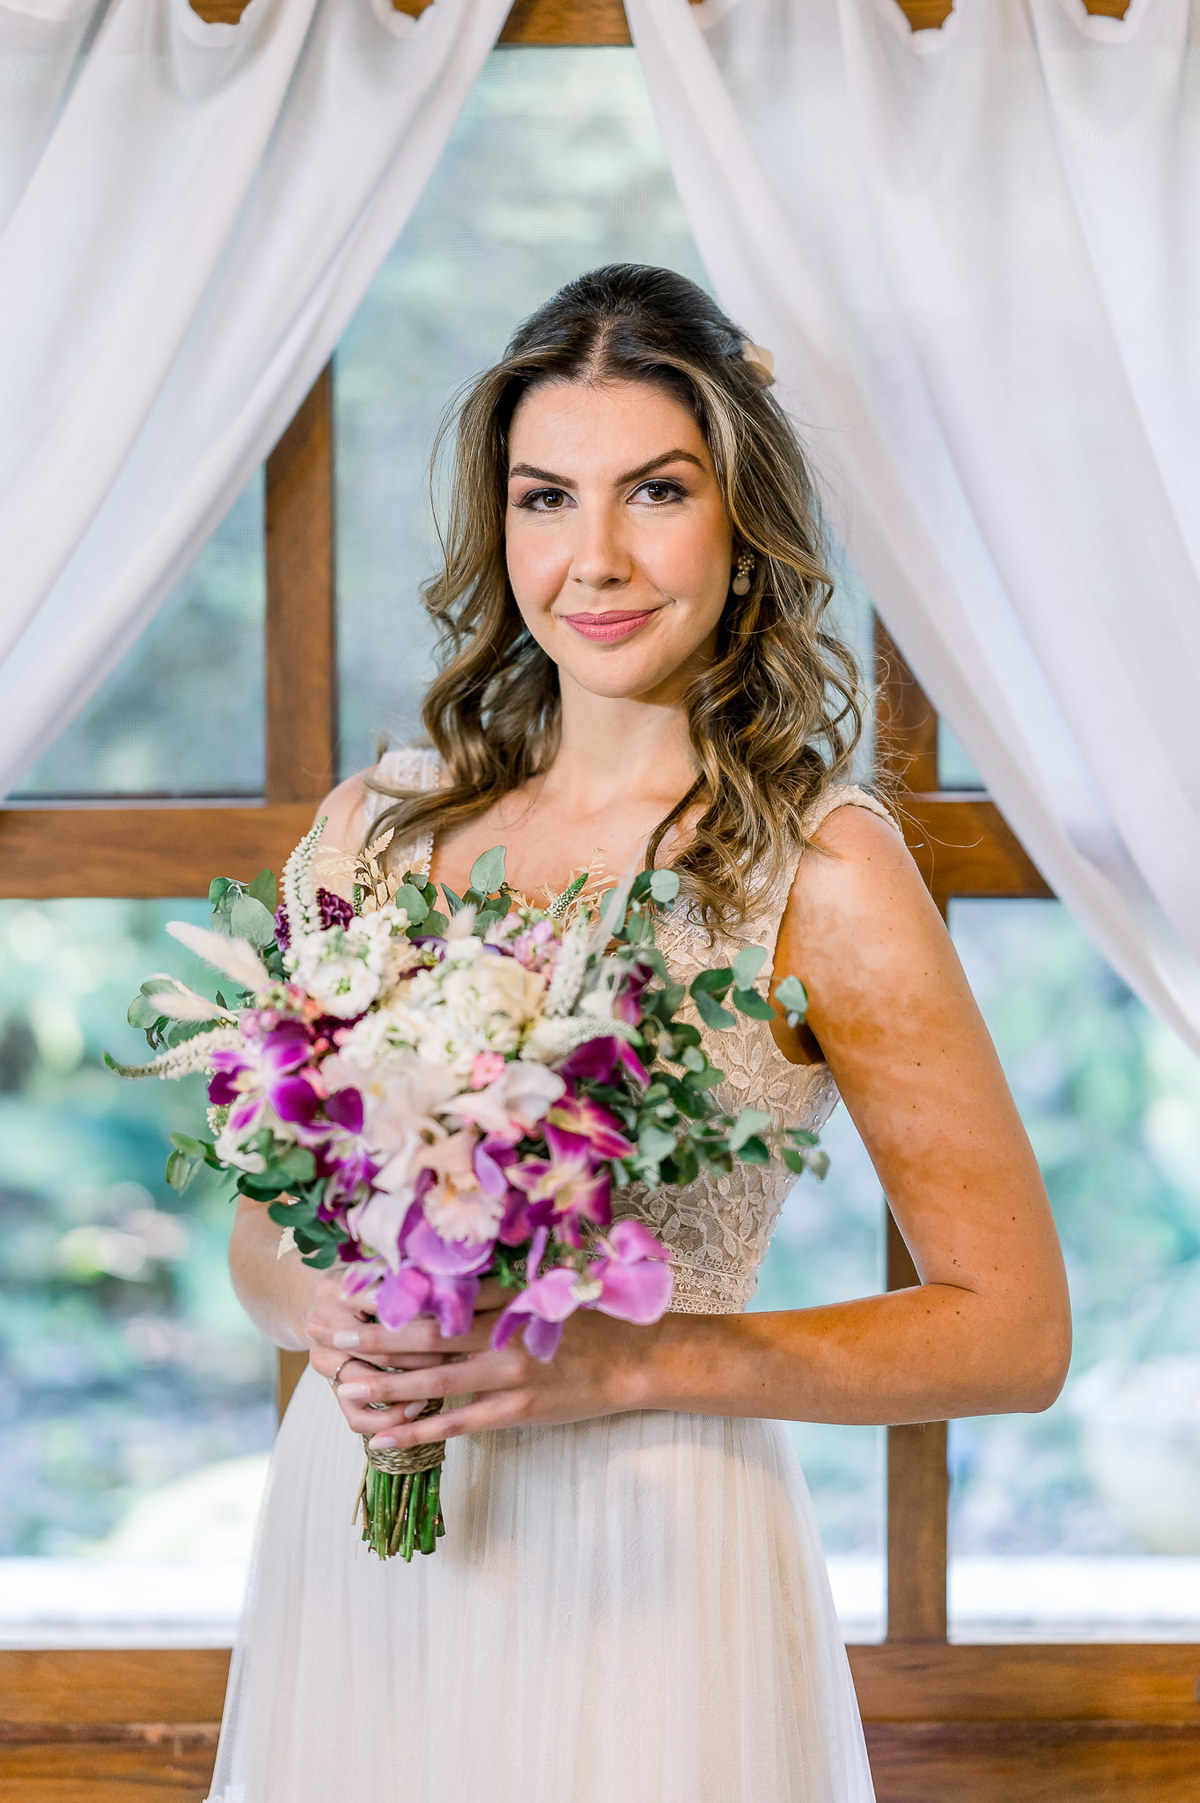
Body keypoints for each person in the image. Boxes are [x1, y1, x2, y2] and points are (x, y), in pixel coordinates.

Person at [208, 265, 1070, 1803]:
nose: (593, 557)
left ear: (744, 529)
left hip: (652, 1565)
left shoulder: (819, 869)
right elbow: (261, 1242)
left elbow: (1013, 1331)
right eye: (546, 498)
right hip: (361, 1559)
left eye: (655, 492)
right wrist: (332, 1310)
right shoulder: (374, 835)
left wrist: (624, 1364)